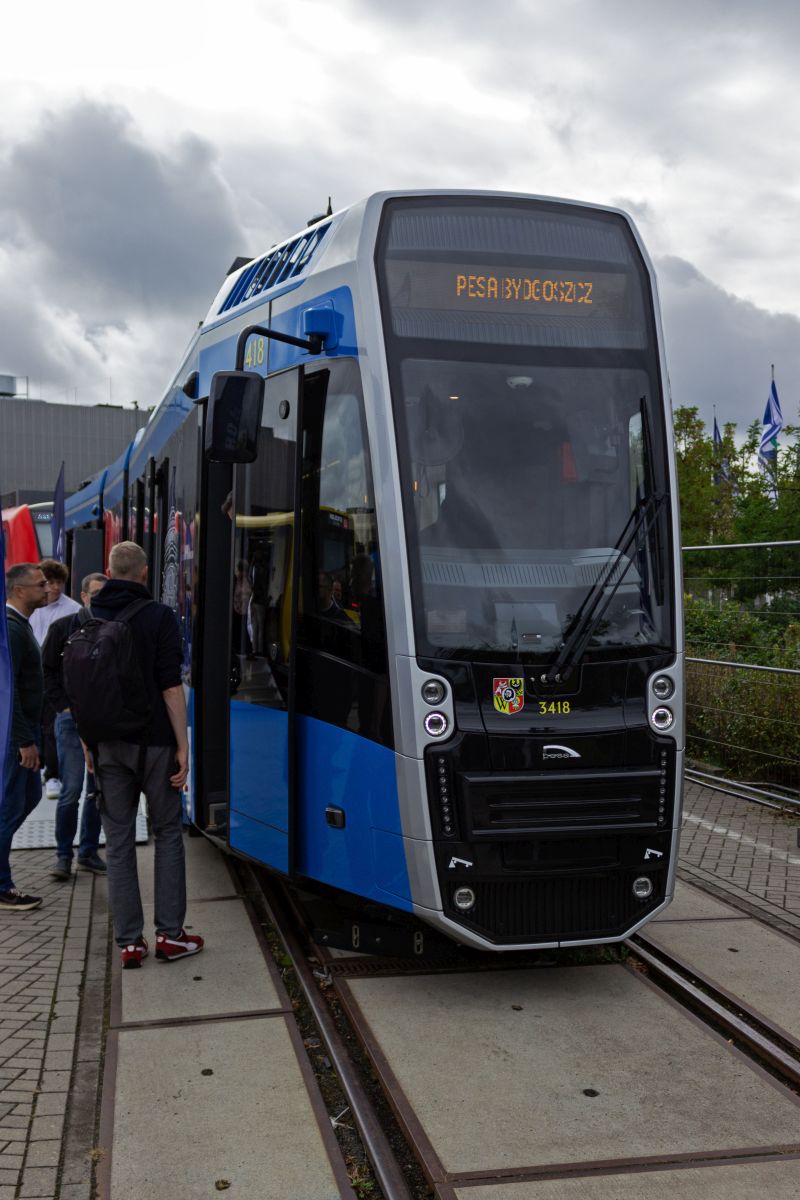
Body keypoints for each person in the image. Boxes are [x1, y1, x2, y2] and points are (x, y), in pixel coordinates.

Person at [82, 541, 203, 969]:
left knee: (117, 843)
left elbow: (84, 690)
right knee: (168, 832)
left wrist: (88, 747)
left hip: (107, 746)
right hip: (154, 743)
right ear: (145, 573)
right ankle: (171, 935)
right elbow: (171, 687)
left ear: (110, 571)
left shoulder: (89, 615)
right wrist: (183, 747)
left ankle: (129, 944)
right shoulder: (159, 616)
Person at [41, 573, 108, 881]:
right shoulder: (61, 628)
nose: (99, 600)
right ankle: (63, 856)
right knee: (70, 790)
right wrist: (63, 707)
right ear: (83, 596)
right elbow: (47, 671)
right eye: (95, 594)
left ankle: (88, 852)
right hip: (69, 720)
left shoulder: (114, 628)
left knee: (97, 790)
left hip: (101, 721)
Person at [0, 563, 49, 910]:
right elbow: (9, 690)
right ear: (19, 590)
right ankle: (2, 885)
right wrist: (24, 741)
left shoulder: (18, 626)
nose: (47, 588)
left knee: (29, 797)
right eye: (40, 584)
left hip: (25, 731)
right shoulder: (13, 630)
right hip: (19, 735)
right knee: (11, 805)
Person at [30, 560, 80, 801]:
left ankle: (52, 775)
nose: (56, 587)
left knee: (51, 727)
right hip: (30, 677)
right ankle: (39, 767)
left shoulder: (72, 609)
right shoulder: (31, 607)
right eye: (51, 582)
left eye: (60, 582)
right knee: (35, 724)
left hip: (53, 676)